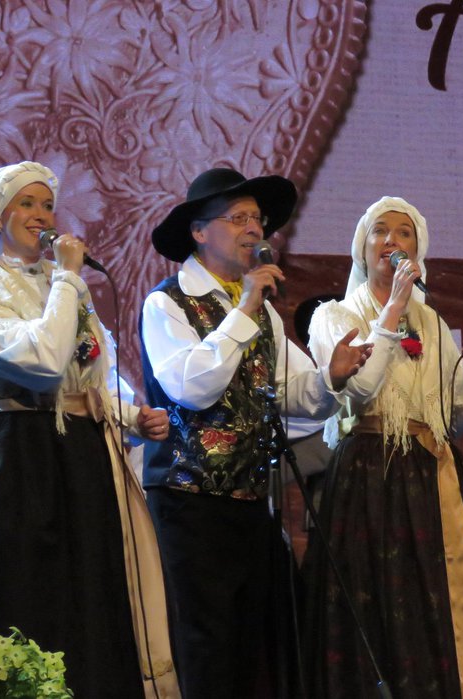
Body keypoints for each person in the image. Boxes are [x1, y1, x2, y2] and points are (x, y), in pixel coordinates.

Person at [0, 161, 179, 697]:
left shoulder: (64, 289)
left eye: (47, 204)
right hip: (18, 462)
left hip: (78, 459)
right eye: (26, 204)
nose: (41, 215)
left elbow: (89, 372)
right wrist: (70, 278)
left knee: (91, 594)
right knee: (30, 591)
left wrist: (132, 418)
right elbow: (45, 363)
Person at [140, 167, 371, 699]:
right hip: (189, 499)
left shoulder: (260, 310)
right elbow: (191, 388)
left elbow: (295, 398)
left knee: (260, 638)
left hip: (252, 499)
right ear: (199, 232)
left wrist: (329, 377)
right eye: (238, 218)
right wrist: (244, 308)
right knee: (208, 641)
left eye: (258, 220)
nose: (253, 230)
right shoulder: (168, 302)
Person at [301, 196, 463, 699]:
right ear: (362, 246)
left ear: (418, 249)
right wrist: (392, 308)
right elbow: (356, 393)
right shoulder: (335, 315)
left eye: (404, 233)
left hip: (430, 475)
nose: (392, 241)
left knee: (431, 602)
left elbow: (449, 419)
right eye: (380, 231)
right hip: (368, 474)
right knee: (376, 605)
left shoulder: (431, 322)